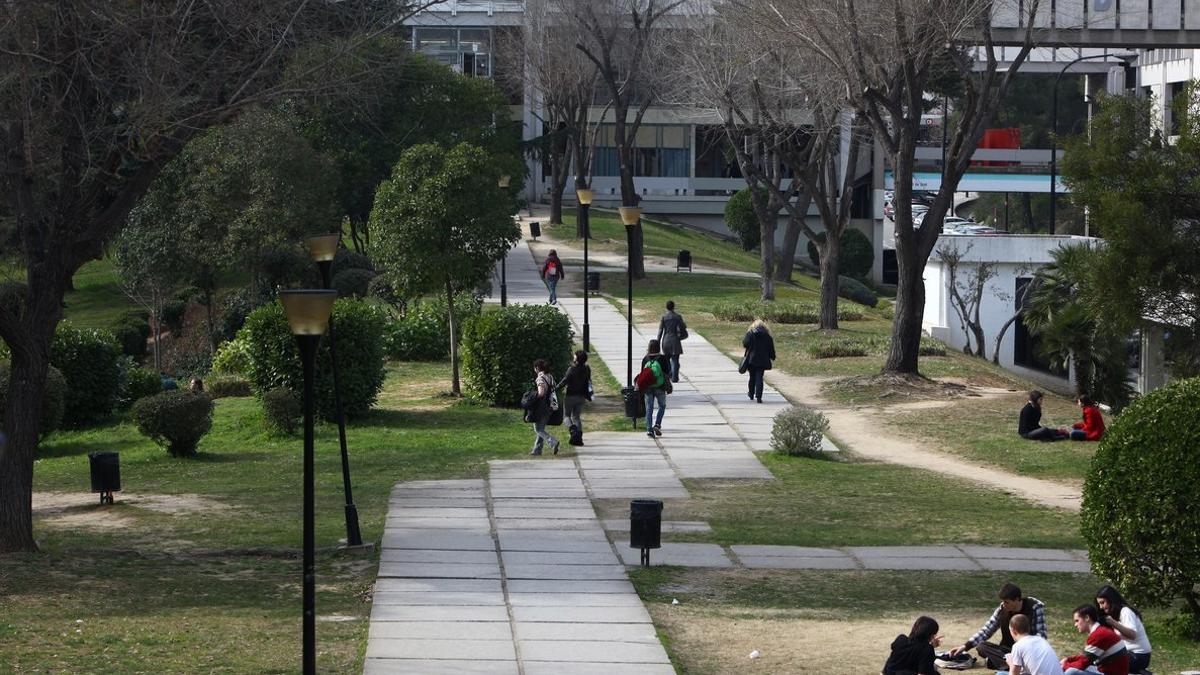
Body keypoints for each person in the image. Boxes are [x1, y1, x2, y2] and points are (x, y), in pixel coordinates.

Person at [950, 583, 1047, 670]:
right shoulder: (1002, 610)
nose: (1004, 605)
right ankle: (1011, 665)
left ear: (1017, 599)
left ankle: (1008, 665)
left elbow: (1041, 637)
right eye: (1003, 601)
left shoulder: (1034, 608)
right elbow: (987, 630)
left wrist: (1025, 649)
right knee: (982, 646)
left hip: (1027, 652)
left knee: (993, 661)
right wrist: (965, 646)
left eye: (1007, 602)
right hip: (1007, 651)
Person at [1095, 585, 1151, 673]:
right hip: (1128, 654)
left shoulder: (1126, 612)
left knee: (1104, 665)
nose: (1101, 607)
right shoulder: (1115, 615)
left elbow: (1132, 635)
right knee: (1097, 661)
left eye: (1103, 602)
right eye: (1099, 604)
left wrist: (1113, 623)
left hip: (1139, 656)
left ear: (1111, 600)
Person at [1061, 604, 1129, 675]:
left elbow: (1082, 663)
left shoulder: (1099, 634)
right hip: (1110, 671)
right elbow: (1086, 656)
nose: (1075, 625)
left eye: (1077, 621)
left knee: (1071, 672)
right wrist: (1069, 659)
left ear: (1087, 618)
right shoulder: (1100, 631)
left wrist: (1065, 666)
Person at [558, 350, 592, 446]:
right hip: (581, 396)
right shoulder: (586, 369)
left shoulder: (572, 369)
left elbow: (565, 381)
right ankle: (579, 438)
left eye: (574, 356)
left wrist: (556, 388)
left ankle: (573, 431)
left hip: (570, 396)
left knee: (566, 416)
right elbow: (588, 381)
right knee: (576, 417)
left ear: (576, 358)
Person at [641, 339, 672, 438]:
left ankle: (649, 429)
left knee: (649, 408)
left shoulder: (645, 359)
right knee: (662, 406)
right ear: (658, 347)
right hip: (660, 386)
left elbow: (642, 373)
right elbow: (668, 372)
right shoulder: (662, 358)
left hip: (648, 387)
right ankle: (657, 425)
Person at [529, 359, 560, 456]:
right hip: (551, 405)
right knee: (541, 428)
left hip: (541, 407)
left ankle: (553, 442)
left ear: (537, 368)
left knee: (538, 429)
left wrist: (533, 397)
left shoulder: (540, 378)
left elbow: (541, 392)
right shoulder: (550, 376)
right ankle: (537, 450)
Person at [741, 319, 775, 403]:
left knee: (752, 377)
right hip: (763, 360)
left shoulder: (750, 334)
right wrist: (772, 356)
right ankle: (759, 396)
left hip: (752, 359)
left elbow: (745, 344)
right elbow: (771, 348)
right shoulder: (768, 336)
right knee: (759, 377)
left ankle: (751, 393)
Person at [656, 300, 688, 383]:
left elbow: (660, 331)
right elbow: (683, 327)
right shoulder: (678, 317)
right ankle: (675, 377)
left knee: (667, 360)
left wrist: (657, 342)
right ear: (674, 307)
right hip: (675, 340)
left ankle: (670, 374)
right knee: (675, 360)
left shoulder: (664, 317)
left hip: (666, 340)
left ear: (666, 307)